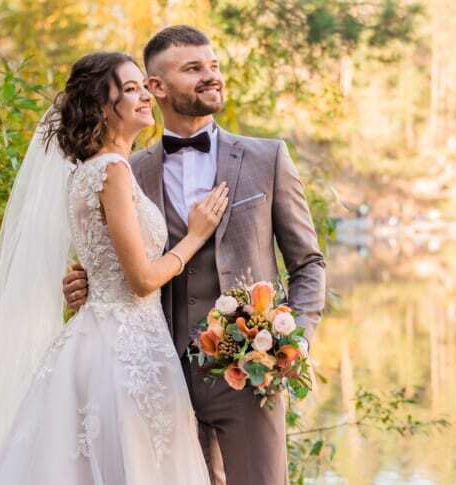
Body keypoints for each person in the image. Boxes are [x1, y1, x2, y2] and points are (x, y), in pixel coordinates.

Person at [0, 51, 226, 484]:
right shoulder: (112, 171)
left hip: (100, 339)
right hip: (126, 350)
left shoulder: (88, 172)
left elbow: (104, 261)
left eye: (142, 86)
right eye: (129, 89)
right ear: (100, 105)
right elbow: (141, 280)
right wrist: (195, 235)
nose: (145, 96)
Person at [64, 25, 326, 485]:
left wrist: (293, 342)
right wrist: (86, 282)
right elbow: (119, 256)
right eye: (193, 69)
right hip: (154, 375)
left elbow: (308, 263)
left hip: (248, 375)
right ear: (156, 87)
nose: (211, 76)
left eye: (214, 66)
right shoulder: (127, 167)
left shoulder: (268, 159)